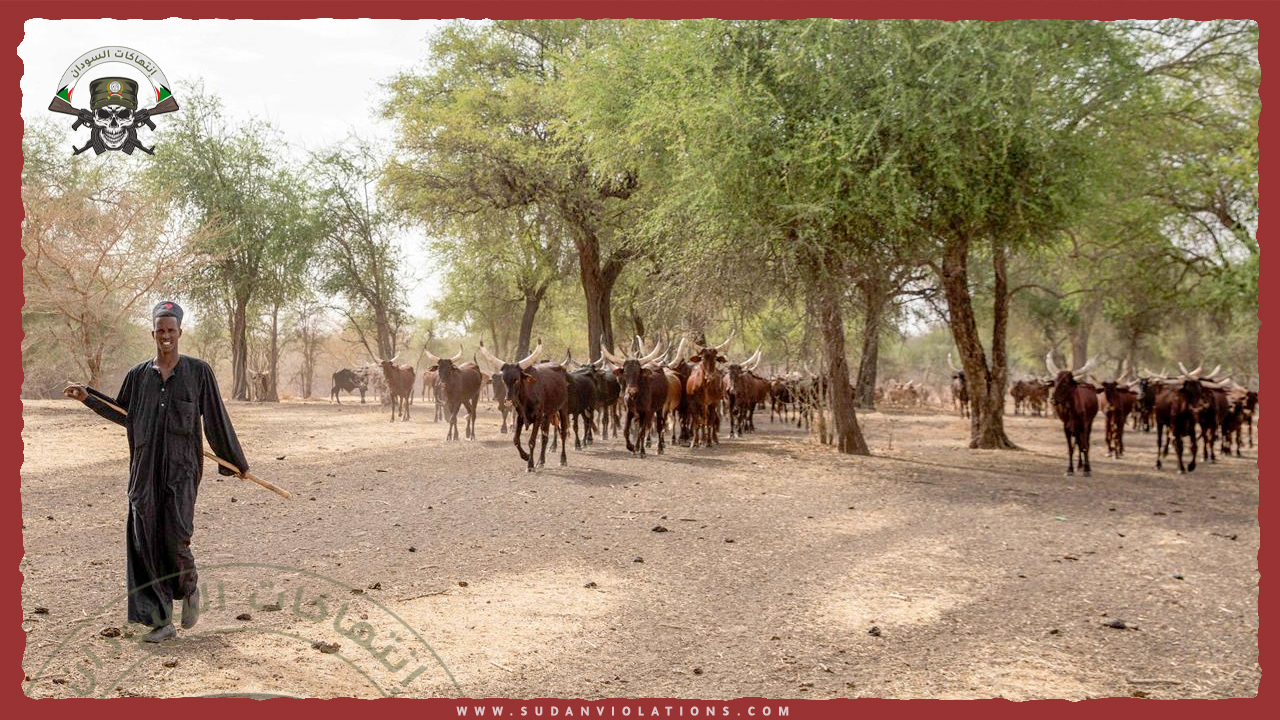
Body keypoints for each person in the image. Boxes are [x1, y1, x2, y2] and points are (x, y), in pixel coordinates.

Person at [64, 301, 249, 643]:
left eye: (171, 330)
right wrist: (87, 397)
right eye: (160, 330)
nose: (166, 336)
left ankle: (188, 587)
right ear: (153, 333)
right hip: (144, 469)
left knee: (176, 535)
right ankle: (161, 621)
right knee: (145, 539)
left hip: (182, 469)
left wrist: (234, 461)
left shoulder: (199, 372)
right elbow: (124, 413)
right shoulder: (137, 375)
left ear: (179, 332)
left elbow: (216, 417)